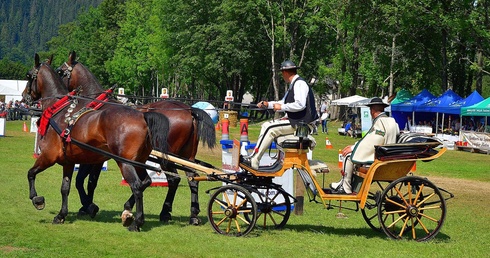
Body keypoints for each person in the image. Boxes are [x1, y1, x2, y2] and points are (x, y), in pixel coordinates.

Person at [245, 60, 318, 169]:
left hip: (303, 125)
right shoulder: (294, 84)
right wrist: (267, 104)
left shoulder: (300, 84)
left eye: (282, 73)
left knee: (270, 128)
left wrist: (282, 108)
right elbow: (282, 102)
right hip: (298, 122)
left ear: (286, 72)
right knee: (266, 126)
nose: (282, 75)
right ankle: (254, 157)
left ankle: (255, 159)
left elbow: (300, 104)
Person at [330, 97, 399, 194]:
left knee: (349, 156)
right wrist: (355, 145)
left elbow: (374, 141)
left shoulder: (380, 122)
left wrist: (354, 148)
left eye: (370, 109)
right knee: (352, 154)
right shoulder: (391, 121)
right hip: (386, 154)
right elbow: (371, 139)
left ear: (373, 110)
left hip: (381, 158)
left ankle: (346, 187)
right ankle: (344, 182)